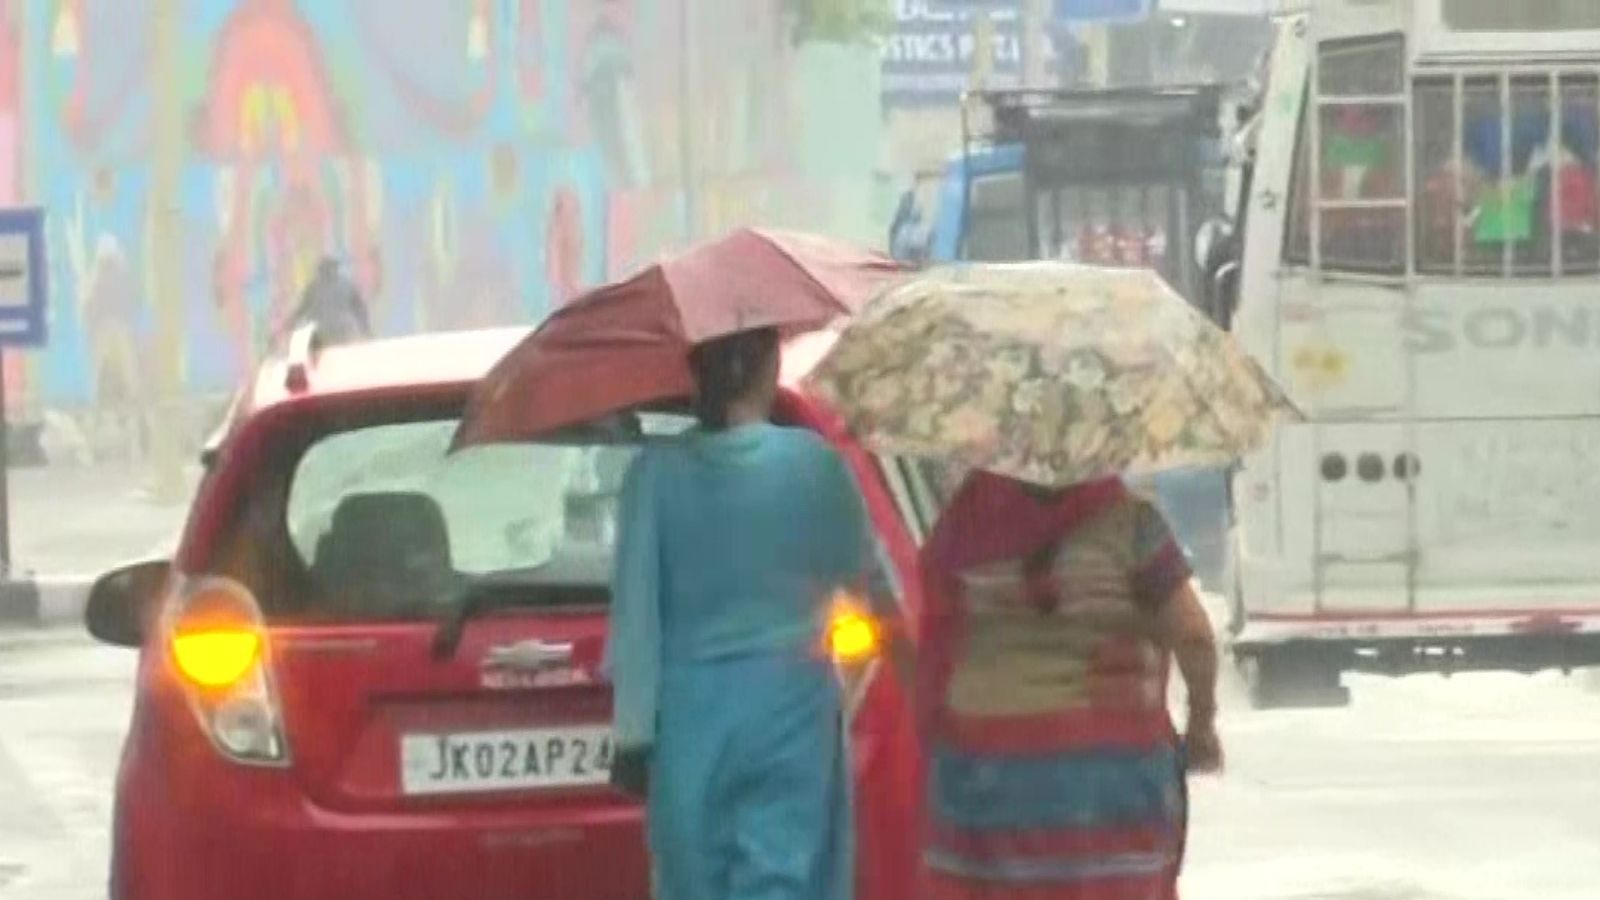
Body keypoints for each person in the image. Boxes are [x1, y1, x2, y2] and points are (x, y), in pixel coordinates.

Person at [604, 326, 896, 900]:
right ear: (769, 366)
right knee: (784, 873)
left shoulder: (655, 475)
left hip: (689, 721)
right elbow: (868, 591)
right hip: (792, 708)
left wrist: (632, 736)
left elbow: (637, 619)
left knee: (696, 878)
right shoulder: (816, 466)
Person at [916, 470, 1223, 900]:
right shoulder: (1133, 525)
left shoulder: (962, 524)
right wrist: (1202, 725)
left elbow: (927, 633)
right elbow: (1193, 636)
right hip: (1111, 774)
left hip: (983, 768)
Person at [286, 257, 370, 346]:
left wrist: (289, 324)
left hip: (329, 332)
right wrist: (365, 328)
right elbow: (360, 309)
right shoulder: (316, 287)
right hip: (332, 331)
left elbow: (301, 309)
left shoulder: (315, 287)